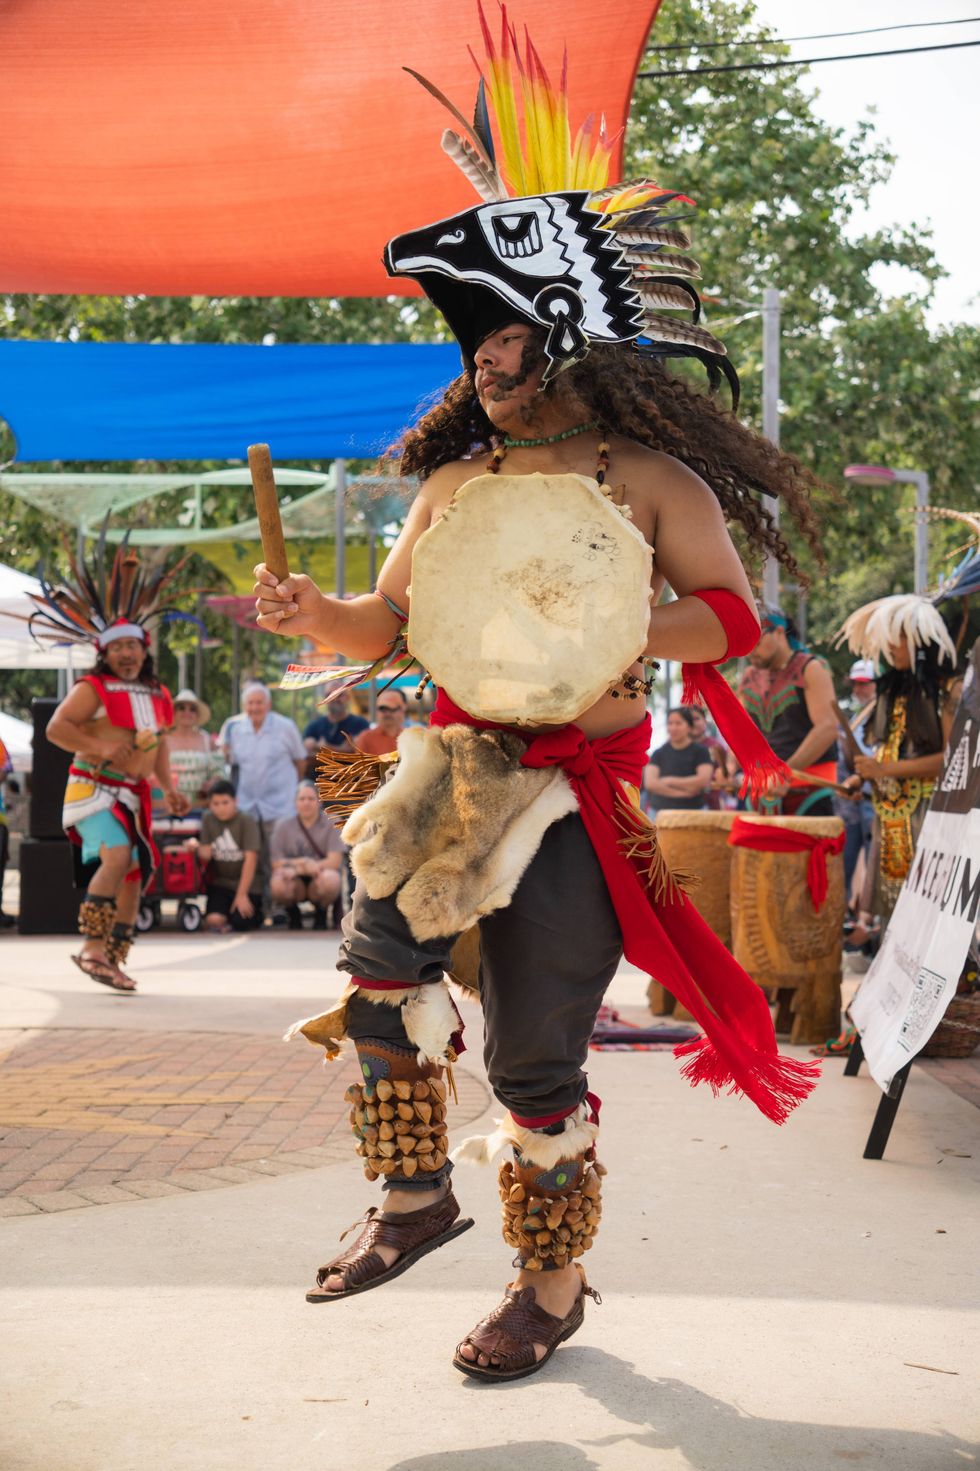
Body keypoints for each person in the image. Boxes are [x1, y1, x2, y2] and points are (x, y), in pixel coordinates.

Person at [252, 20, 821, 1382]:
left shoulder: (649, 482)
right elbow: (385, 620)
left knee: (533, 1051)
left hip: (578, 785)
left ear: (556, 331)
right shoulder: (458, 487)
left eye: (490, 339)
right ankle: (414, 1200)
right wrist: (308, 614)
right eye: (470, 347)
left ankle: (548, 1287)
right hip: (449, 771)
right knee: (377, 984)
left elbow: (735, 620)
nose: (474, 366)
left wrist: (599, 608)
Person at [36, 537, 189, 991]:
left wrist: (168, 785)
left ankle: (113, 959)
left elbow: (158, 746)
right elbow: (56, 729)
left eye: (133, 647)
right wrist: (101, 749)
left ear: (144, 650)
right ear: (105, 652)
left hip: (134, 794)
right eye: (117, 648)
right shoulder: (93, 687)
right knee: (118, 855)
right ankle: (90, 947)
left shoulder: (160, 694)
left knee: (135, 874)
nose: (126, 655)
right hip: (95, 787)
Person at [838, 595, 961, 946]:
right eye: (889, 636)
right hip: (889, 819)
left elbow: (952, 760)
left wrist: (885, 769)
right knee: (895, 916)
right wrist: (860, 777)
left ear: (923, 639)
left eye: (901, 636)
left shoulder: (948, 690)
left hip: (932, 816)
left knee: (935, 914)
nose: (892, 645)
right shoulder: (891, 689)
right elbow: (884, 749)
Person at [739, 605, 839, 816]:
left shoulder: (811, 668)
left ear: (778, 632)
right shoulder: (749, 677)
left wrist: (785, 772)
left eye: (755, 641)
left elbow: (828, 728)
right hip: (761, 789)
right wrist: (729, 768)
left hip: (809, 790)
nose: (749, 650)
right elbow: (742, 733)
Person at [222, 682, 306, 897]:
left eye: (259, 702)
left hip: (280, 805)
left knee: (278, 859)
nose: (255, 707)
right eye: (250, 703)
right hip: (249, 804)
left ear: (268, 705)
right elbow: (229, 762)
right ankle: (258, 907)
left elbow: (300, 761)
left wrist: (292, 792)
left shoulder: (285, 726)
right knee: (252, 858)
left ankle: (280, 906)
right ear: (244, 705)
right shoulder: (235, 729)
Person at [270, 779, 345, 928]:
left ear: (319, 801)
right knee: (278, 882)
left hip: (319, 875)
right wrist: (302, 864)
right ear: (295, 803)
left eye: (311, 798)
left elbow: (335, 861)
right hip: (293, 879)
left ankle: (321, 911)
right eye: (302, 799)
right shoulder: (282, 826)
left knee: (332, 879)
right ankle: (292, 913)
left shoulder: (333, 822)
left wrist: (310, 866)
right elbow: (276, 862)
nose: (306, 803)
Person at [192, 779, 263, 932]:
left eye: (225, 802)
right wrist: (196, 847)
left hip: (247, 884)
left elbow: (251, 859)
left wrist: (242, 894)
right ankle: (227, 919)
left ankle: (255, 913)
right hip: (222, 884)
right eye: (215, 804)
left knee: (241, 921)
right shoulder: (208, 818)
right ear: (209, 804)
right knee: (213, 919)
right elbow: (205, 854)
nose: (221, 808)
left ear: (235, 801)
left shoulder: (246, 820)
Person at [644, 707, 714, 816]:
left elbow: (703, 780)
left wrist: (669, 781)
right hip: (659, 813)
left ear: (689, 727)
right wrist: (682, 793)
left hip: (694, 813)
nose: (673, 727)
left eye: (678, 723)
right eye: (670, 723)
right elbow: (651, 783)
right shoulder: (658, 753)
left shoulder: (701, 751)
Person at [167, 688, 225, 809]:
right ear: (174, 713)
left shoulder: (207, 740)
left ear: (197, 715)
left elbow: (219, 770)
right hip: (169, 806)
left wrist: (212, 783)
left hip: (201, 805)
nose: (186, 712)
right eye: (181, 708)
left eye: (192, 709)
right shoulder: (164, 740)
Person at [685, 703, 733, 810]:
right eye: (689, 719)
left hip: (712, 805)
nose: (693, 722)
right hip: (683, 804)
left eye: (697, 718)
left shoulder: (716, 747)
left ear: (705, 721)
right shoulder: (678, 747)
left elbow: (727, 775)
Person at [303, 691, 369, 757]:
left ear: (348, 697)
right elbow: (306, 753)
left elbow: (362, 753)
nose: (334, 698)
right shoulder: (314, 726)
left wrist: (321, 748)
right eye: (330, 695)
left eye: (339, 695)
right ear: (325, 699)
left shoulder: (361, 723)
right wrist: (344, 750)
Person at [354, 687, 407, 756]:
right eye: (383, 709)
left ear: (403, 709)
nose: (387, 713)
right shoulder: (366, 738)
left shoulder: (410, 738)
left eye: (392, 709)